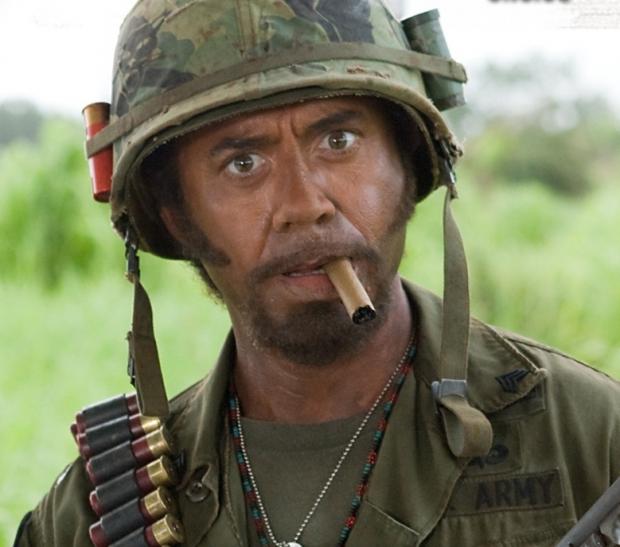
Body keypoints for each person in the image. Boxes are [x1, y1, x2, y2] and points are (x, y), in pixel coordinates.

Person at [14, 1, 620, 546]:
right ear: (177, 216)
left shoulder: (589, 440)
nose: (305, 205)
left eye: (339, 140)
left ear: (410, 165)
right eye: (243, 163)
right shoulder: (85, 516)